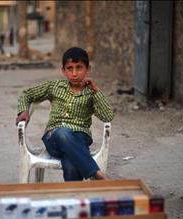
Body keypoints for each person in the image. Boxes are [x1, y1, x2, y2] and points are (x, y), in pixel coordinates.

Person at [15, 47, 114, 181]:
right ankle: (96, 173)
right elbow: (27, 94)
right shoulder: (54, 86)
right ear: (63, 70)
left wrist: (96, 91)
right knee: (62, 132)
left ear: (87, 69)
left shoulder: (91, 93)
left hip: (80, 138)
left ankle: (74, 198)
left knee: (71, 164)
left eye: (79, 68)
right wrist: (24, 110)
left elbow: (108, 116)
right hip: (54, 138)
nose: (74, 73)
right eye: (70, 68)